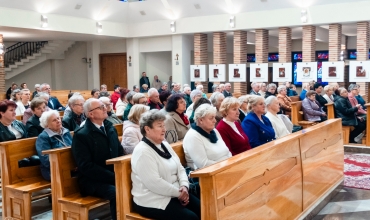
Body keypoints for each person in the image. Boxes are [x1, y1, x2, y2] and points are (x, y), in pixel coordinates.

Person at [131, 110, 200, 220]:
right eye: (159, 126)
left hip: (176, 192)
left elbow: (180, 168)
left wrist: (184, 186)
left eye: (164, 125)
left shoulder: (164, 144)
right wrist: (179, 194)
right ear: (147, 129)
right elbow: (154, 183)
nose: (164, 129)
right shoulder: (142, 151)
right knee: (191, 218)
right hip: (152, 199)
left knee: (203, 208)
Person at [72, 98, 124, 220]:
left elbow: (120, 151)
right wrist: (113, 177)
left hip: (113, 174)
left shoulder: (110, 127)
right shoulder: (82, 135)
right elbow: (86, 166)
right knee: (116, 192)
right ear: (90, 114)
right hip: (92, 180)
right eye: (100, 107)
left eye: (105, 106)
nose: (105, 108)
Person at [183, 104, 231, 170]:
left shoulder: (214, 130)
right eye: (211, 118)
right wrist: (226, 166)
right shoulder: (193, 136)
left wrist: (231, 163)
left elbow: (228, 152)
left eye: (214, 117)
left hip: (226, 168)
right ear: (201, 120)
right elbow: (203, 164)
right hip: (208, 174)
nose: (215, 121)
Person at [36, 110, 72, 181]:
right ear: (47, 125)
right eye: (54, 120)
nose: (58, 121)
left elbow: (75, 148)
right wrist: (67, 166)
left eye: (58, 118)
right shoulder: (43, 137)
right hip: (52, 170)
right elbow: (46, 160)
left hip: (71, 166)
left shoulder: (66, 132)